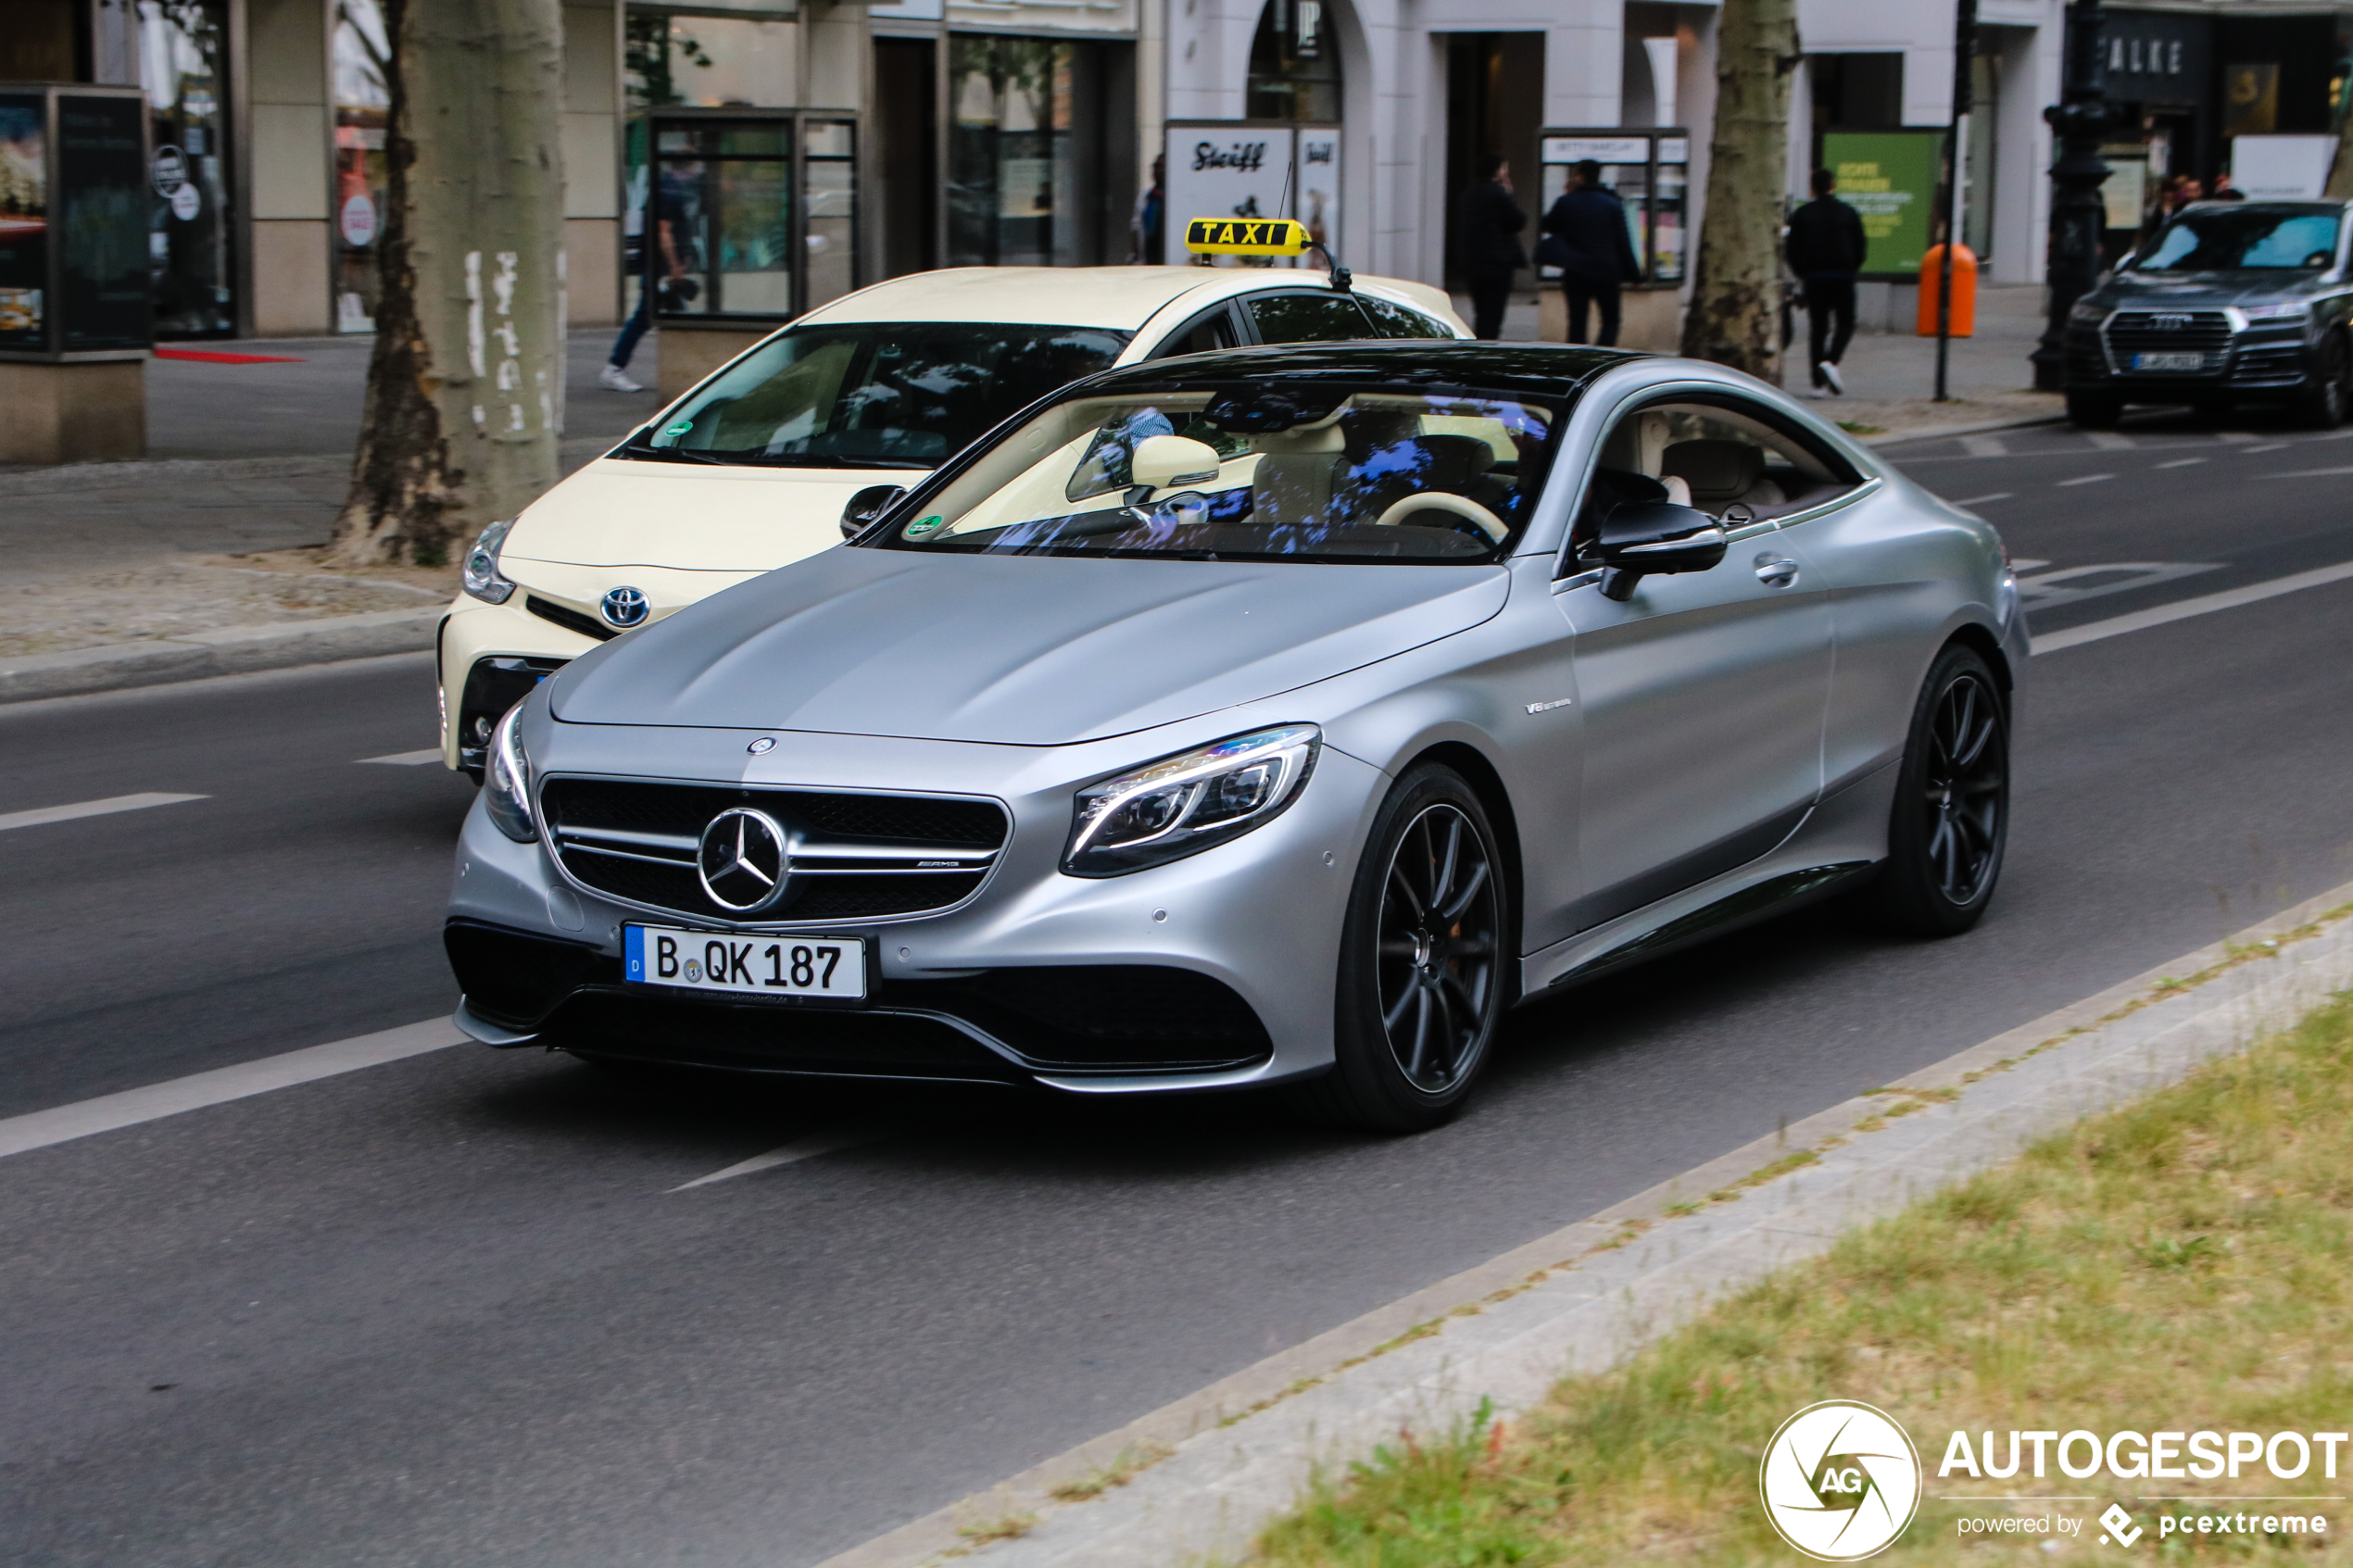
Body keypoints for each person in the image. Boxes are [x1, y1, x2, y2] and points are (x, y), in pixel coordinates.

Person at [602, 164, 693, 393]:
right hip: (660, 270)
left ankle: (686, 374)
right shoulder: (670, 191)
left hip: (659, 268)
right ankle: (614, 367)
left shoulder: (663, 188)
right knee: (643, 318)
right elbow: (665, 231)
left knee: (676, 318)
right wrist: (674, 266)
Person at [1784, 166, 1868, 395]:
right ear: (1833, 185)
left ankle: (1817, 384)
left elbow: (1792, 249)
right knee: (1846, 323)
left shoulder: (1803, 214)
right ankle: (1831, 362)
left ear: (1812, 188)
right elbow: (1860, 247)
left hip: (1815, 278)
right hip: (1843, 277)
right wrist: (1851, 268)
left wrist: (1803, 273)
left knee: (1818, 329)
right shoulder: (1848, 212)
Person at [1541, 159, 1642, 346]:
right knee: (1611, 320)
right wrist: (1634, 274)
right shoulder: (1613, 203)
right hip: (1606, 271)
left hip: (1576, 271)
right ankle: (1603, 355)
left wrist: (1568, 195)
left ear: (1580, 176)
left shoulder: (1566, 202)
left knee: (1577, 323)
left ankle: (1578, 360)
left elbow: (1548, 225)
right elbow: (1623, 241)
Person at [1455, 154, 1528, 339]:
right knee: (1494, 313)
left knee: (1481, 311)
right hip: (1498, 262)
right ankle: (1489, 346)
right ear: (1497, 171)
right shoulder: (1498, 193)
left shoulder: (1468, 194)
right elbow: (1518, 220)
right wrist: (1508, 193)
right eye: (1504, 168)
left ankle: (1480, 344)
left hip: (1474, 261)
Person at [1129, 154, 1166, 264]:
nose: (1157, 171)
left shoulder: (1173, 199)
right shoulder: (1146, 196)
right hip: (1148, 254)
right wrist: (1135, 255)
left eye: (1161, 167)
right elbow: (1136, 226)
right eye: (1156, 167)